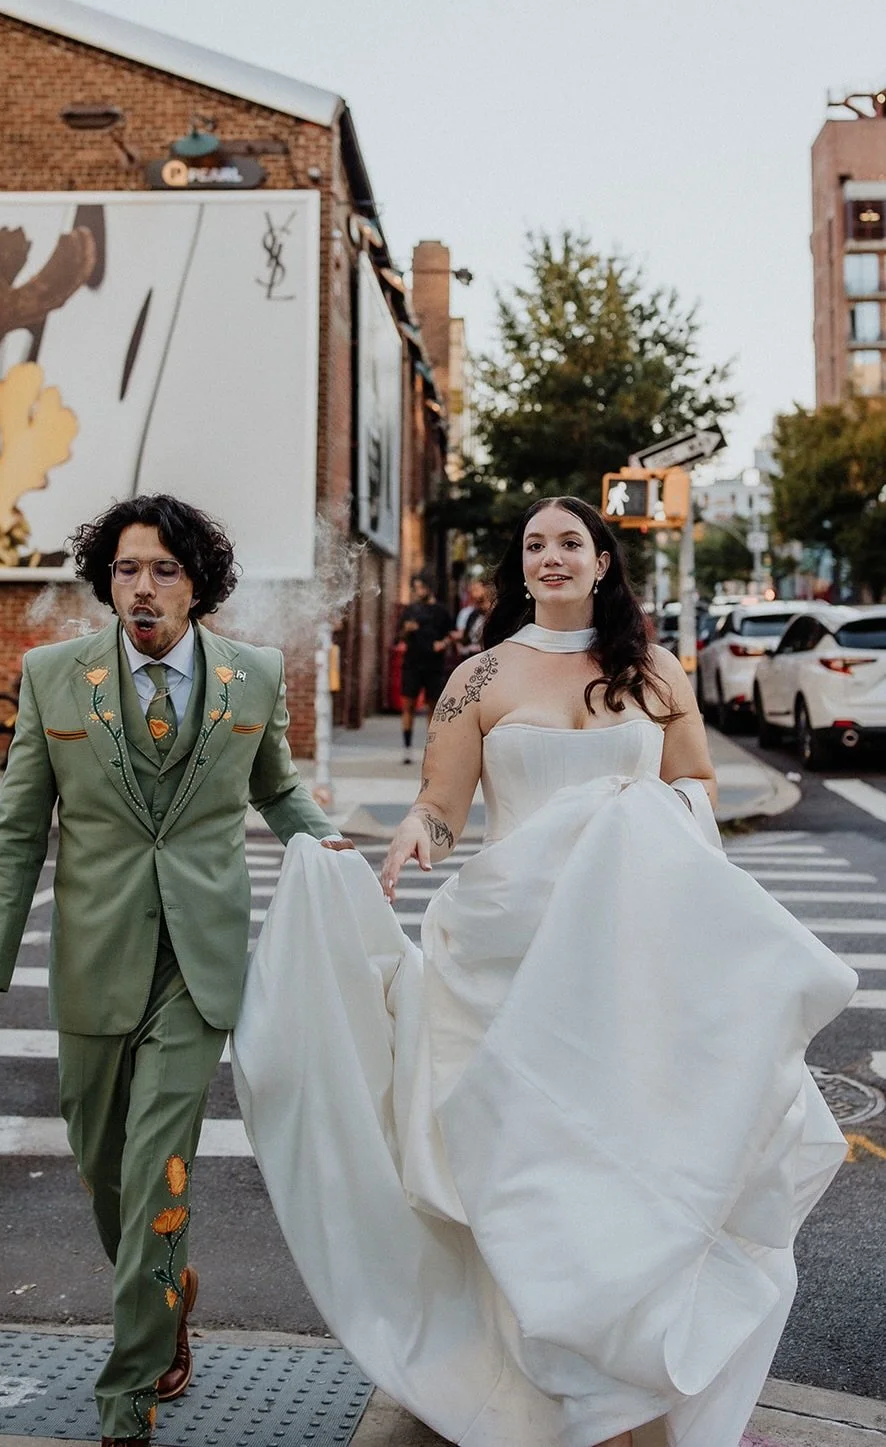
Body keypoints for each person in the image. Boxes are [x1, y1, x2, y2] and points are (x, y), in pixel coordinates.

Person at [232, 496, 856, 1447]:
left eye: (572, 542)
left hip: (628, 962)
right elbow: (442, 806)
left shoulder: (653, 671)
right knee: (536, 1181)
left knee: (632, 1169)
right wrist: (411, 836)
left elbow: (696, 785)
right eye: (536, 545)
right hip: (510, 962)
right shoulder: (478, 675)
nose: (553, 555)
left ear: (603, 561)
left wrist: (646, 823)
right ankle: (556, 1388)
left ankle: (636, 1382)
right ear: (519, 567)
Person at [0, 494, 351, 1447]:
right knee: (105, 1174)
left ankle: (126, 1399)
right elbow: (16, 837)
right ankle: (167, 1294)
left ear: (197, 582)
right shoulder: (53, 677)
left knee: (161, 1170)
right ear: (106, 581)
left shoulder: (251, 676)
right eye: (127, 569)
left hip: (198, 969)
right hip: (94, 961)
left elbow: (279, 791)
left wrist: (330, 854)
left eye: (164, 569)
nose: (143, 586)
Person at [396, 573, 453, 764]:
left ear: (429, 588)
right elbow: (400, 637)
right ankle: (407, 749)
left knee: (433, 707)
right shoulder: (410, 610)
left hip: (434, 664)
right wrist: (407, 630)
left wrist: (443, 643)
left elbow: (451, 635)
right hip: (412, 663)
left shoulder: (441, 611)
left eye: (421, 587)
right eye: (416, 588)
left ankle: (431, 750)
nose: (417, 591)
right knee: (408, 705)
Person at [450, 576, 491, 666]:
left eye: (476, 589)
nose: (473, 594)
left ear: (486, 589)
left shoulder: (496, 613)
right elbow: (466, 638)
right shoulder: (473, 615)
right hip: (472, 659)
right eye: (472, 591)